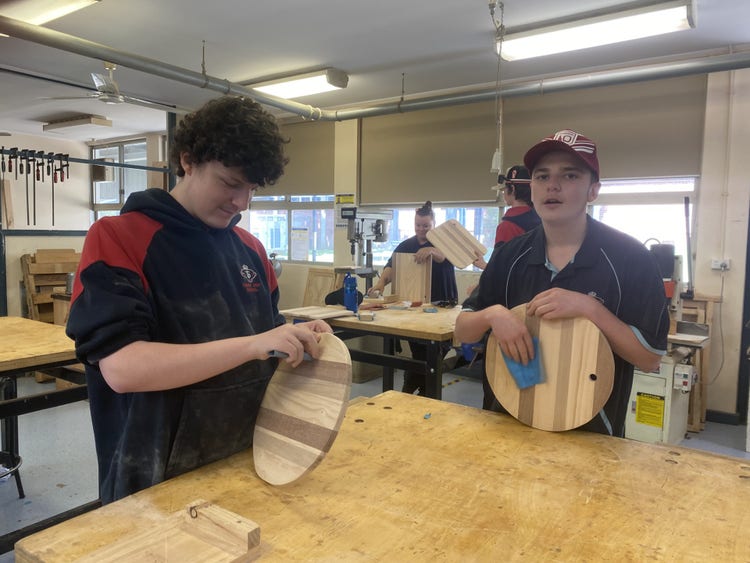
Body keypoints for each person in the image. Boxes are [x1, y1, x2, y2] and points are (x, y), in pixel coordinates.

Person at [66, 96, 332, 504]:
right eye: (230, 183)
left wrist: (294, 338)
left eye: (252, 189)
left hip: (251, 458)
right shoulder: (118, 237)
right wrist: (252, 345)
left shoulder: (250, 249)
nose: (242, 202)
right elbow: (122, 369)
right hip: (154, 477)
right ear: (188, 161)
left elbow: (262, 340)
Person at [455, 129, 669, 437]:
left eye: (569, 176)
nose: (552, 185)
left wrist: (589, 308)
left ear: (593, 190)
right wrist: (493, 315)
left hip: (593, 436)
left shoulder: (631, 258)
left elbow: (649, 358)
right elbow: (462, 329)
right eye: (542, 176)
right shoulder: (509, 256)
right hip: (507, 427)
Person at [367, 201, 458, 395]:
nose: (422, 230)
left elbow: (447, 257)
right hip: (415, 308)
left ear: (433, 225)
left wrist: (432, 251)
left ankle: (415, 387)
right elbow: (392, 265)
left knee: (435, 352)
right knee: (418, 350)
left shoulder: (443, 244)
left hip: (443, 307)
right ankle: (418, 387)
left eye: (426, 226)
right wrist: (381, 283)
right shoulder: (407, 245)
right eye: (418, 225)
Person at [494, 164, 541, 245]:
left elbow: (503, 257)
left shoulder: (507, 227)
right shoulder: (544, 221)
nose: (504, 192)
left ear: (512, 189)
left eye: (505, 188)